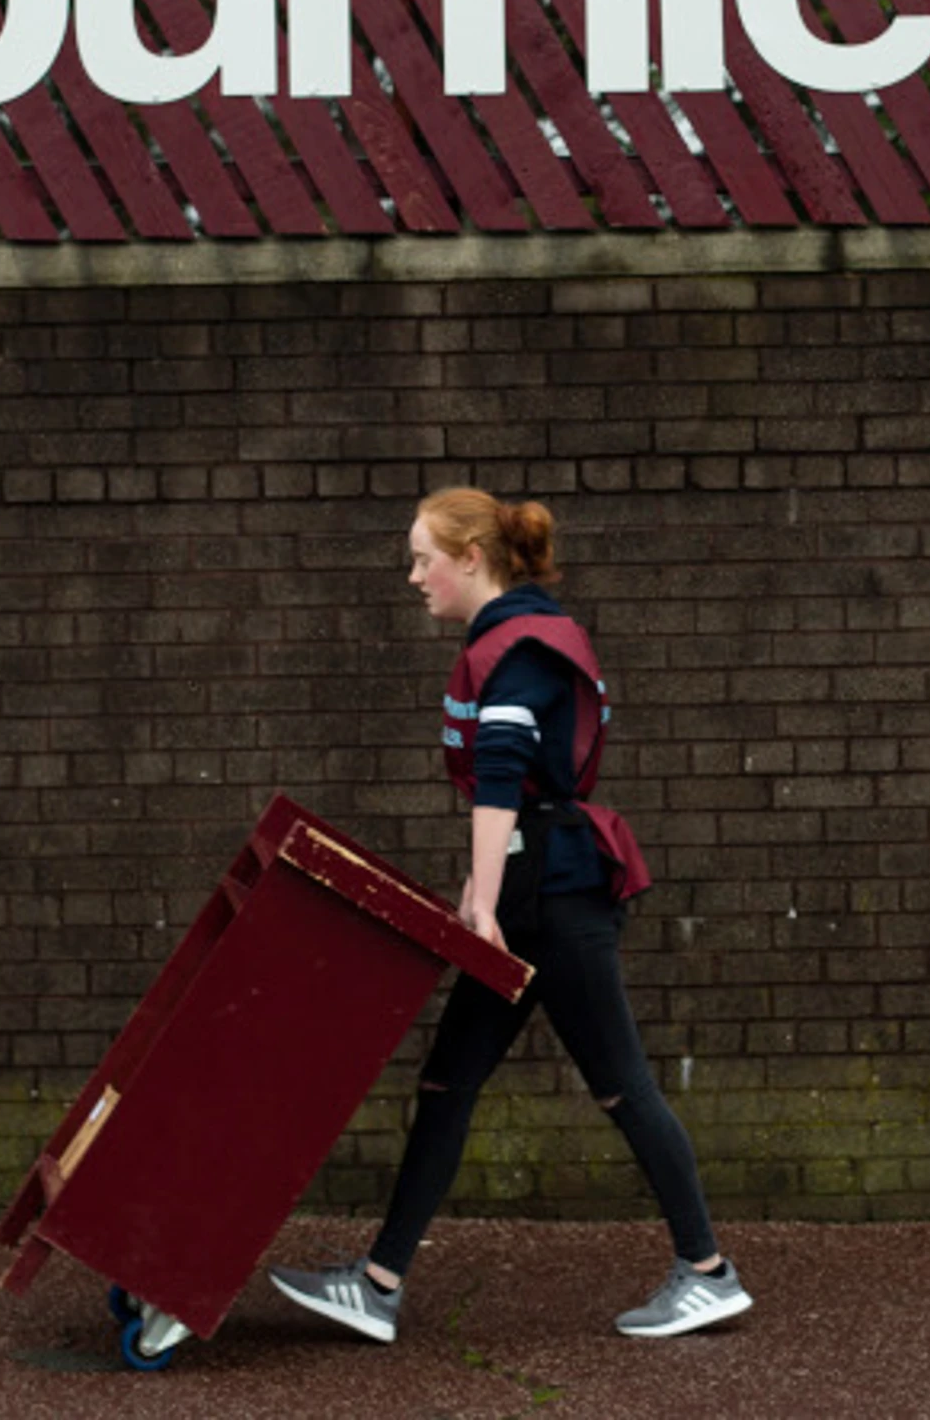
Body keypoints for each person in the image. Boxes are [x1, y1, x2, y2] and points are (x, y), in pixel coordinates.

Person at [266, 488, 751, 1343]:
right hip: (528, 897)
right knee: (448, 1081)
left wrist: (483, 901)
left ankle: (708, 1273)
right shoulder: (505, 640)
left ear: (470, 560)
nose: (413, 576)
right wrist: (482, 889)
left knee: (621, 1085)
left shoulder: (523, 647)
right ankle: (378, 1285)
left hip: (557, 905)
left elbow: (501, 778)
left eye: (423, 558)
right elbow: (509, 796)